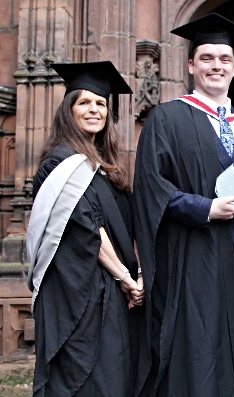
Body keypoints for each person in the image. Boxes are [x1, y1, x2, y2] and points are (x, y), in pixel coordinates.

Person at [132, 13, 234, 397]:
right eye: (207, 58)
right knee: (196, 345)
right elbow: (150, 185)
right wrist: (203, 209)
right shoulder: (167, 118)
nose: (217, 66)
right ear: (191, 64)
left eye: (225, 59)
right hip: (190, 254)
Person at [26, 61, 142, 396]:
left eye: (101, 103)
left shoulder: (105, 167)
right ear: (69, 110)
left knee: (116, 375)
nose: (94, 109)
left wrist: (137, 274)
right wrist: (125, 278)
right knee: (88, 380)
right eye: (84, 102)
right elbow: (86, 226)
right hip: (77, 293)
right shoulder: (59, 163)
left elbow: (128, 223)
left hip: (109, 290)